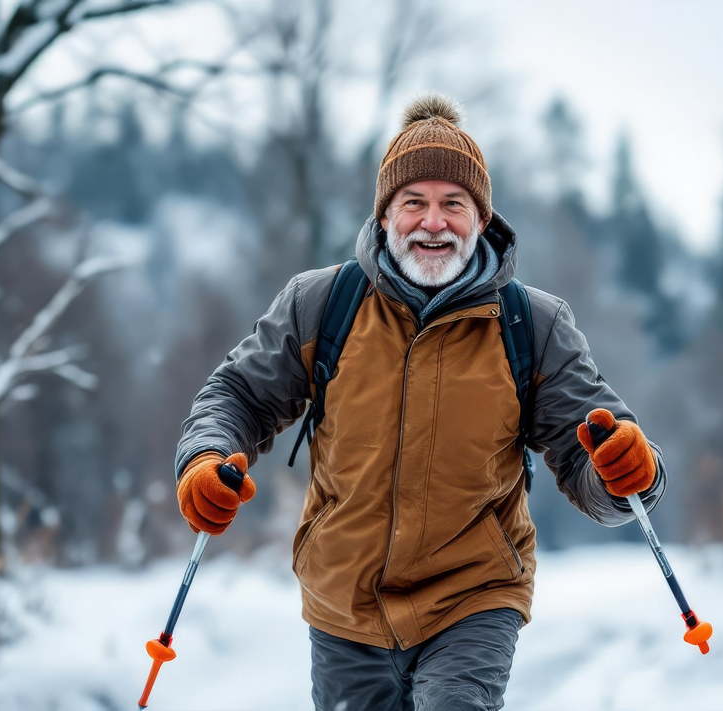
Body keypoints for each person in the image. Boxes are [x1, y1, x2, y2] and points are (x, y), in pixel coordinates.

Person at [173, 94, 667, 711]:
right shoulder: (321, 304)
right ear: (385, 216)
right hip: (343, 603)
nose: (433, 222)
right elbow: (237, 395)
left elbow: (594, 450)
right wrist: (206, 458)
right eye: (414, 203)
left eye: (453, 205)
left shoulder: (531, 325)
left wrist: (626, 474)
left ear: (481, 219)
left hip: (472, 596)